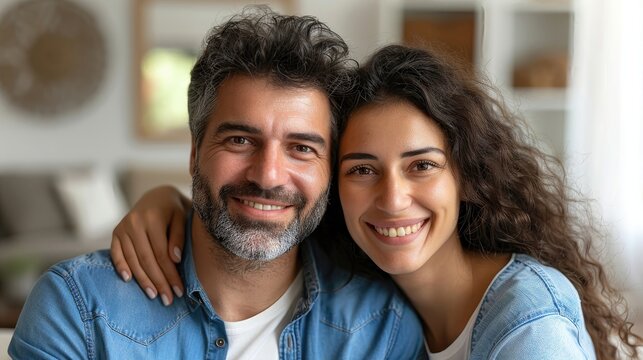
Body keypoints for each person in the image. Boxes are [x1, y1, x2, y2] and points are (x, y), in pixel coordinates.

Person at [110, 44, 643, 359]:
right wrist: (170, 202)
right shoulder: (357, 286)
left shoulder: (526, 318)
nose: (392, 199)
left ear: (467, 175)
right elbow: (261, 208)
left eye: (422, 165)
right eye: (362, 169)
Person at [9, 8, 426, 359]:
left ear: (330, 169)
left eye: (301, 148)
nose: (267, 175)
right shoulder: (77, 308)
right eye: (240, 140)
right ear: (194, 152)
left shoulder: (381, 327)